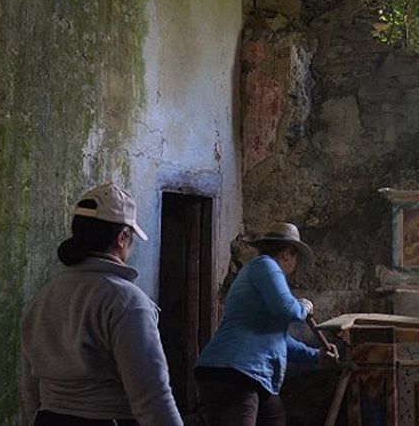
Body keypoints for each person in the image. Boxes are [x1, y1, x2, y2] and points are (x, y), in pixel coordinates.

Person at [20, 182, 181, 426]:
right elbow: (152, 396)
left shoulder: (44, 296)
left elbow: (30, 388)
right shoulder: (127, 302)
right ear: (122, 238)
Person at [194, 221, 337, 426]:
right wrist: (304, 306)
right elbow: (289, 310)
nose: (294, 263)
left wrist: (315, 356)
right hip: (233, 372)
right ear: (286, 253)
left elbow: (278, 340)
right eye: (294, 255)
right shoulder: (266, 265)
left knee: (275, 419)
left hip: (247, 374)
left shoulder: (262, 274)